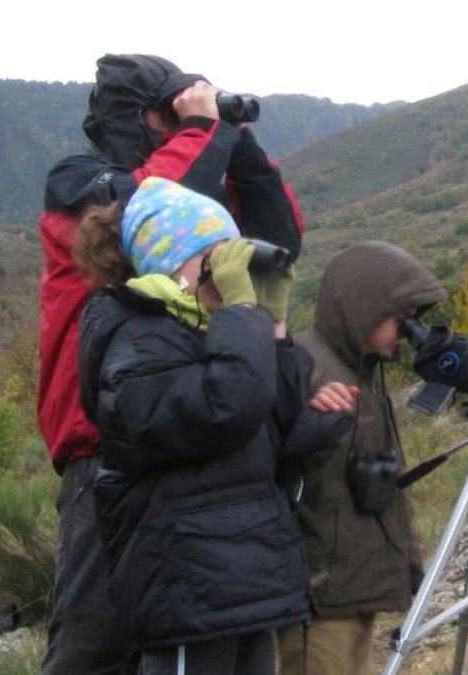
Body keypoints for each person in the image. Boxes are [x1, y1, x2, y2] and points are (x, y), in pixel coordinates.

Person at [37, 53, 304, 674]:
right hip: (105, 445)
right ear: (138, 119)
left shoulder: (196, 177)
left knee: (198, 632)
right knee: (96, 643)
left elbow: (279, 238)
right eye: (172, 112)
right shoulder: (78, 182)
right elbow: (148, 204)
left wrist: (238, 140)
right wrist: (201, 130)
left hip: (198, 445)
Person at [73, 177, 355, 675]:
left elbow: (275, 419)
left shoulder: (212, 334)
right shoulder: (138, 340)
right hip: (187, 585)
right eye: (215, 262)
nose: (229, 276)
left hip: (244, 578)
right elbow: (227, 408)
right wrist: (243, 313)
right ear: (170, 266)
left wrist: (273, 323)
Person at [276, 241, 448, 675]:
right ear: (362, 309)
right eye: (398, 320)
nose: (405, 333)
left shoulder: (363, 370)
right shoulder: (303, 367)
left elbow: (387, 481)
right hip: (319, 593)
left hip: (356, 583)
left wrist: (407, 560)